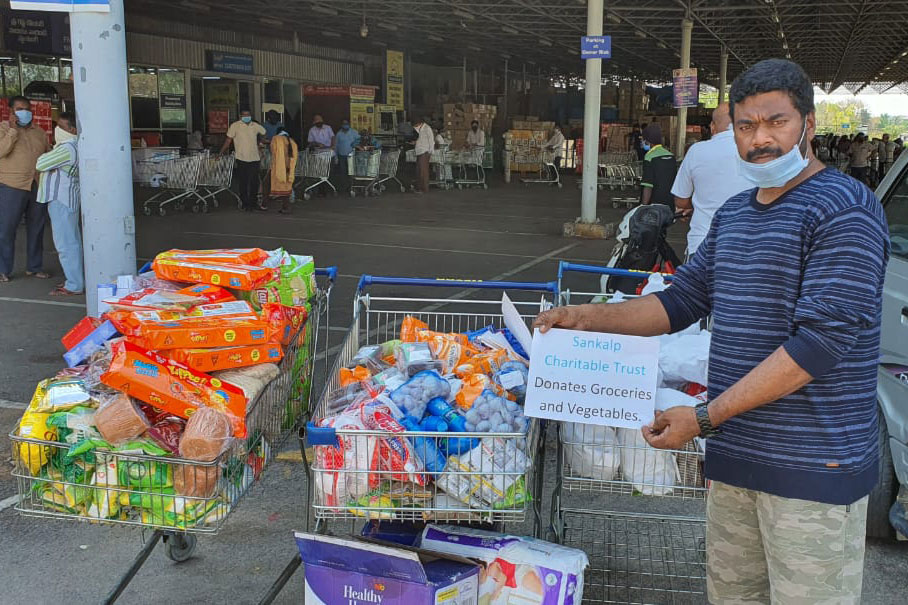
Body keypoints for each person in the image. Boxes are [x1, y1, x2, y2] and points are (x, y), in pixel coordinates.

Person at [535, 58, 888, 605]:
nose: (760, 139)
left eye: (776, 122)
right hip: (736, 462)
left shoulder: (845, 210)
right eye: (746, 126)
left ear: (809, 124)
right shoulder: (736, 214)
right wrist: (583, 317)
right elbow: (680, 301)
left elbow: (819, 344)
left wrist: (702, 418)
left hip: (813, 471)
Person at [671, 103, 752, 256]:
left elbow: (681, 201)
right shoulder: (758, 152)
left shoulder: (696, 151)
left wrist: (693, 206)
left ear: (712, 126)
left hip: (703, 245)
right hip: (747, 248)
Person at [0, 95, 52, 283]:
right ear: (11, 111)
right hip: (11, 185)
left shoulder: (39, 132)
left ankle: (34, 267)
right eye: (20, 109)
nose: (25, 112)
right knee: (6, 230)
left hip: (37, 184)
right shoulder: (3, 129)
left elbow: (48, 154)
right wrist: (13, 131)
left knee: (36, 228)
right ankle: (3, 269)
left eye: (27, 109)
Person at [36, 112, 82, 296]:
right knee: (71, 242)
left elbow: (40, 163)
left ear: (73, 130)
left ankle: (74, 285)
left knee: (65, 245)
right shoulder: (73, 146)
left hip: (61, 200)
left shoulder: (67, 148)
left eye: (62, 127)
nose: (57, 130)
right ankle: (75, 280)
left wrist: (49, 155)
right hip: (67, 199)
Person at [219, 108, 266, 212]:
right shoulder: (235, 126)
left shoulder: (255, 125)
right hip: (241, 158)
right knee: (243, 182)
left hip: (254, 158)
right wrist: (221, 153)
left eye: (248, 115)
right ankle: (245, 203)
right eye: (244, 115)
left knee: (254, 182)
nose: (246, 117)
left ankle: (253, 203)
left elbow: (263, 132)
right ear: (240, 116)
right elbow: (228, 141)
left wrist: (260, 142)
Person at [640, 123, 676, 208]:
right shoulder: (671, 156)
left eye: (643, 139)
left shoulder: (649, 157)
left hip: (655, 203)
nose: (641, 142)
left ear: (647, 141)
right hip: (671, 202)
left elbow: (648, 185)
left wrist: (643, 207)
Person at [269, 128, 298, 214]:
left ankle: (264, 205)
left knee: (266, 184)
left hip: (277, 168)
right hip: (288, 168)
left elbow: (273, 151)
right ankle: (285, 207)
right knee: (286, 188)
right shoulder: (292, 142)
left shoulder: (276, 139)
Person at [333, 119, 359, 193]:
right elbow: (336, 145)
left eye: (347, 124)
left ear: (349, 124)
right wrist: (336, 157)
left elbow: (359, 141)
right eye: (344, 124)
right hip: (341, 156)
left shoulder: (354, 132)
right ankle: (344, 187)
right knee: (343, 172)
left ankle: (352, 187)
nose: (345, 125)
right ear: (341, 125)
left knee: (351, 172)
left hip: (351, 156)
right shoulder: (339, 134)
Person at [413, 116, 434, 194]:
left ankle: (424, 189)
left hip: (424, 152)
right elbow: (421, 139)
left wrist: (430, 152)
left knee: (423, 172)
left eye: (415, 125)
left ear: (420, 123)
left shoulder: (427, 129)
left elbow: (431, 141)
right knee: (419, 170)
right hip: (419, 152)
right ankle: (419, 188)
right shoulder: (419, 129)